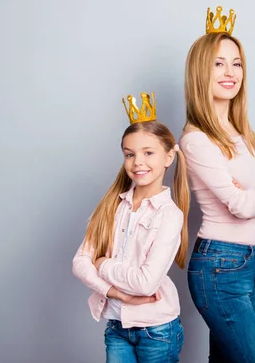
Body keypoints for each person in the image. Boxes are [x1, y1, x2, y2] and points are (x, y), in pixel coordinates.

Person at [179, 6, 255, 362]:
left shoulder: (241, 133)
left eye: (236, 63)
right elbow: (240, 205)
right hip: (218, 268)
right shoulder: (196, 140)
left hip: (247, 262)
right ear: (200, 73)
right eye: (218, 64)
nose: (230, 72)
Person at [72, 92, 189, 363]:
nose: (138, 162)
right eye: (130, 154)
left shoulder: (170, 215)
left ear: (168, 157)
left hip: (157, 330)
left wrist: (102, 265)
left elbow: (146, 283)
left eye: (149, 153)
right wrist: (114, 292)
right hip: (116, 326)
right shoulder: (111, 207)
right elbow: (79, 262)